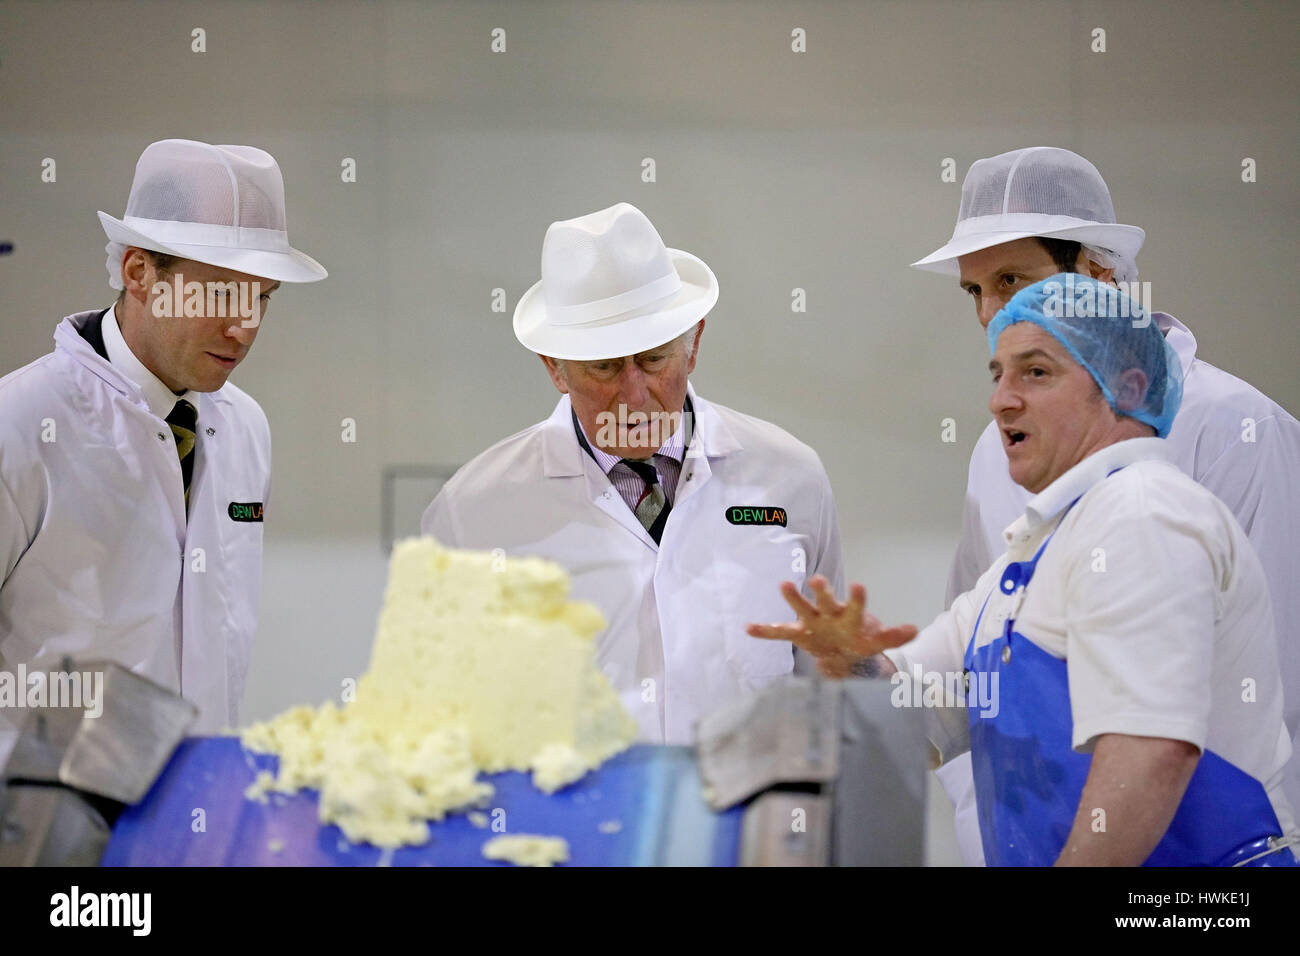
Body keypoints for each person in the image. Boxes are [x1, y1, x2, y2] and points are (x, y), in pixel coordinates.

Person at [750, 274, 1299, 866]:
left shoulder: (1144, 512)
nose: (1000, 401)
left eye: (1035, 372)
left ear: (1129, 386)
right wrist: (854, 663)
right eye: (998, 375)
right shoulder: (1034, 553)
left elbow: (1150, 753)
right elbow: (924, 712)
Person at [911, 146, 1300, 864]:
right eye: (976, 291)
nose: (992, 312)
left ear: (1098, 276)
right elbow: (976, 660)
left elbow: (1277, 678)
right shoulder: (1000, 446)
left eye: (1011, 280)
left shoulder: (1238, 427)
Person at [422, 202, 843, 743]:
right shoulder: (474, 513)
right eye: (604, 367)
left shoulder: (789, 477)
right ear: (555, 368)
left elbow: (829, 687)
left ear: (694, 344)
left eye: (653, 360)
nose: (634, 395)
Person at [0, 139, 326, 758]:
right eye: (221, 294)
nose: (245, 327)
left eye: (261, 297)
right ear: (139, 273)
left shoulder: (246, 427)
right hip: (42, 811)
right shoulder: (19, 424)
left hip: (198, 799)